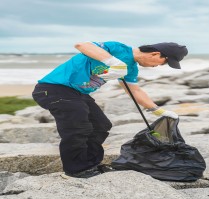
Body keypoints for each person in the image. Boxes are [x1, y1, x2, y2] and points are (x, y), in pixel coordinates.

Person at [32, 41, 188, 178]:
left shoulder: (132, 68)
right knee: (78, 127)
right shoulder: (117, 48)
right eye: (162, 62)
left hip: (77, 94)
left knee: (101, 126)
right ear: (156, 54)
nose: (157, 66)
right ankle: (76, 169)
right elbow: (82, 45)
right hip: (53, 89)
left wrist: (158, 110)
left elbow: (135, 91)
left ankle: (90, 164)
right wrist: (113, 61)